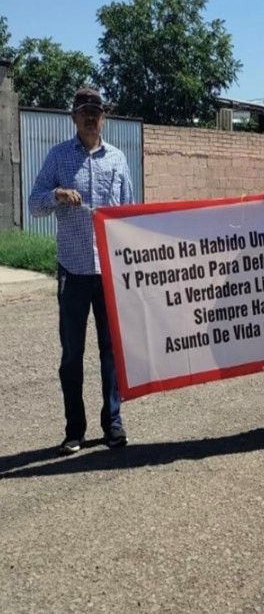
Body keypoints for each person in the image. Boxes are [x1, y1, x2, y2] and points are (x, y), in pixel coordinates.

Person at [28, 87, 134, 454]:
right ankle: (74, 429)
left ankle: (113, 423)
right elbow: (34, 205)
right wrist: (57, 195)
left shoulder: (117, 159)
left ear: (104, 118)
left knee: (111, 351)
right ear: (73, 117)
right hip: (72, 271)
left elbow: (128, 212)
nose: (90, 117)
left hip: (108, 272)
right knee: (72, 353)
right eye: (84, 111)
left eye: (96, 112)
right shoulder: (58, 157)